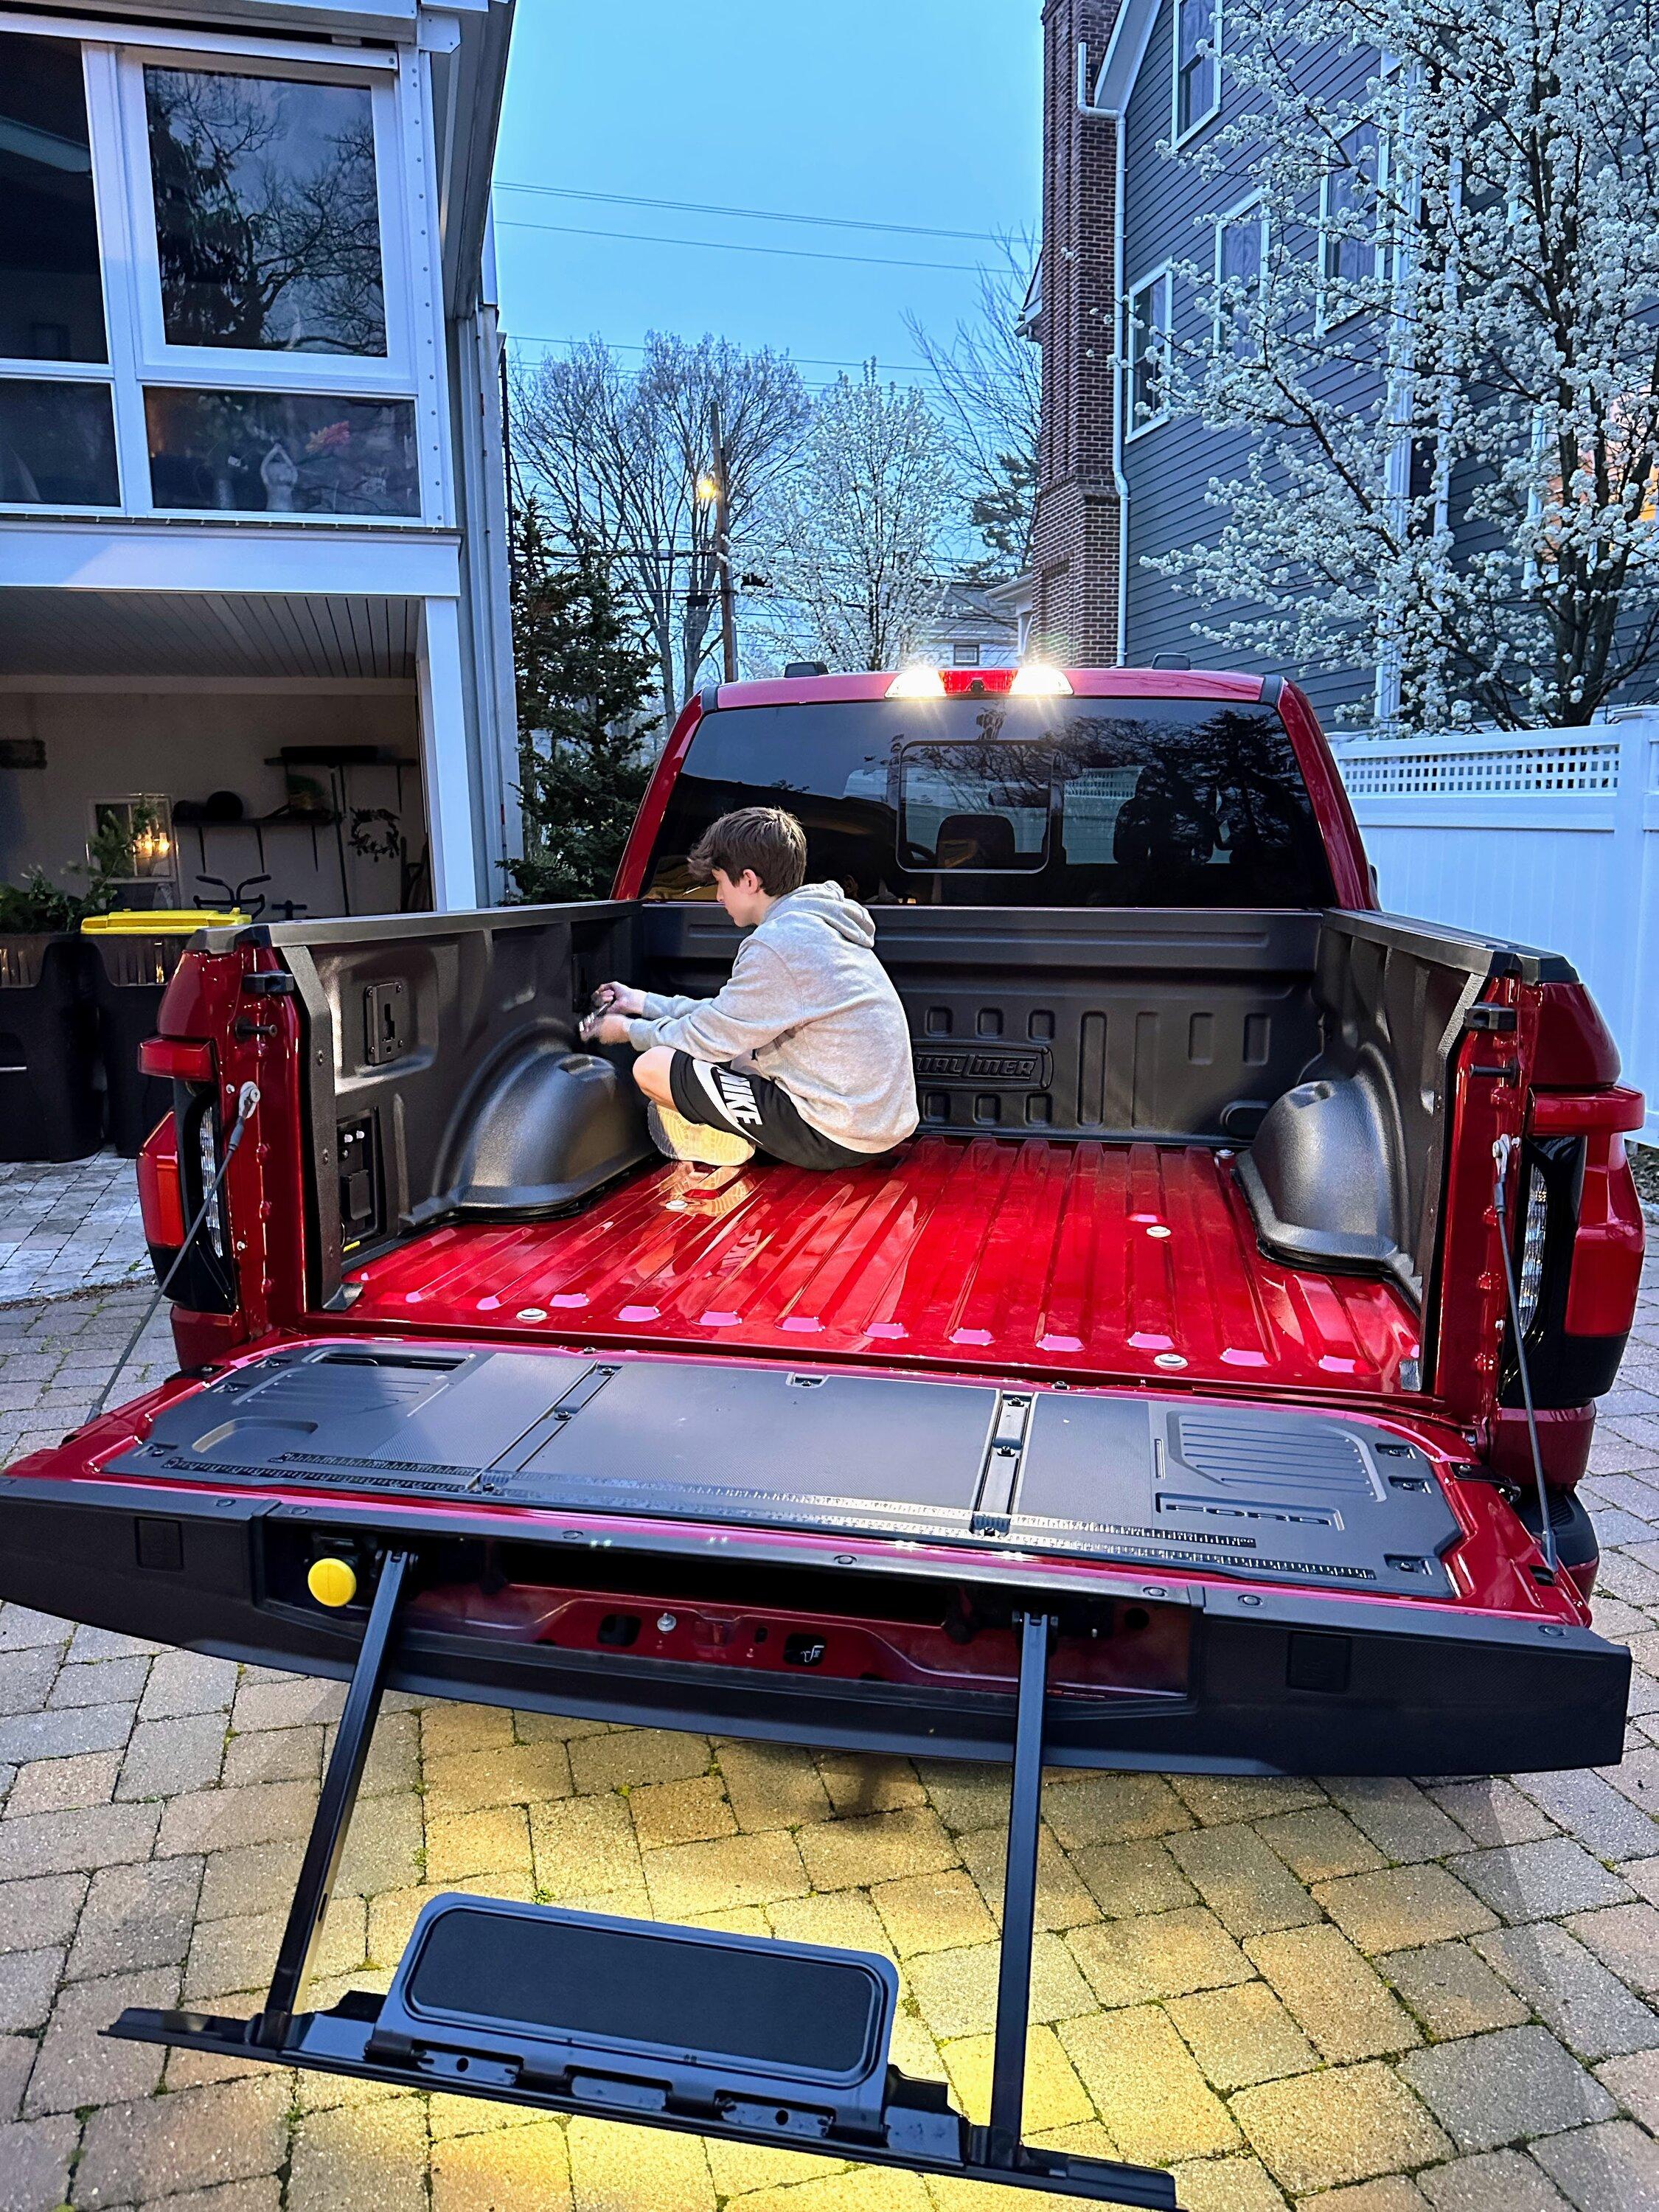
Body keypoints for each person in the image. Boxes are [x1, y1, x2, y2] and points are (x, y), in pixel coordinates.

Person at [582, 806, 919, 1169]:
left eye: (719, 882)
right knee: (740, 1054)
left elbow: (707, 1037)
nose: (717, 897)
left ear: (748, 880)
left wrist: (627, 1030)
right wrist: (642, 1001)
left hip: (839, 1133)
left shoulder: (780, 943)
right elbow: (728, 1016)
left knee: (653, 1066)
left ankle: (719, 1137)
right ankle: (737, 1126)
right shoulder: (816, 925)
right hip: (879, 1125)